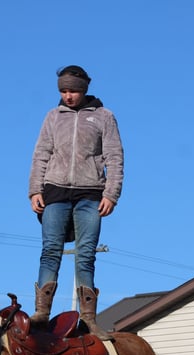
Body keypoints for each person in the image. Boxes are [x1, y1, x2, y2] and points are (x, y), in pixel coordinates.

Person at [28, 65, 124, 340]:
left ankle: (88, 318)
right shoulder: (52, 117)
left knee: (86, 255)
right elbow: (41, 154)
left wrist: (111, 194)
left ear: (84, 90)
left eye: (73, 91)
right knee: (50, 250)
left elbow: (115, 156)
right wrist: (35, 190)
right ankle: (41, 313)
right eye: (63, 91)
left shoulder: (104, 117)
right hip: (55, 191)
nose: (68, 96)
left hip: (90, 194)